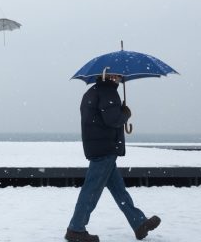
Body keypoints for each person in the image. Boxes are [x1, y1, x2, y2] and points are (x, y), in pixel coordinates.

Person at [65, 74, 161, 242]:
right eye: (116, 75)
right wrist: (124, 113)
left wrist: (118, 111)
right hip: (105, 149)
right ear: (107, 76)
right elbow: (113, 119)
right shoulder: (107, 92)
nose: (119, 78)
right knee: (91, 190)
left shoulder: (92, 92)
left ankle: (139, 224)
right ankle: (76, 228)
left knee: (119, 191)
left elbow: (97, 120)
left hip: (97, 147)